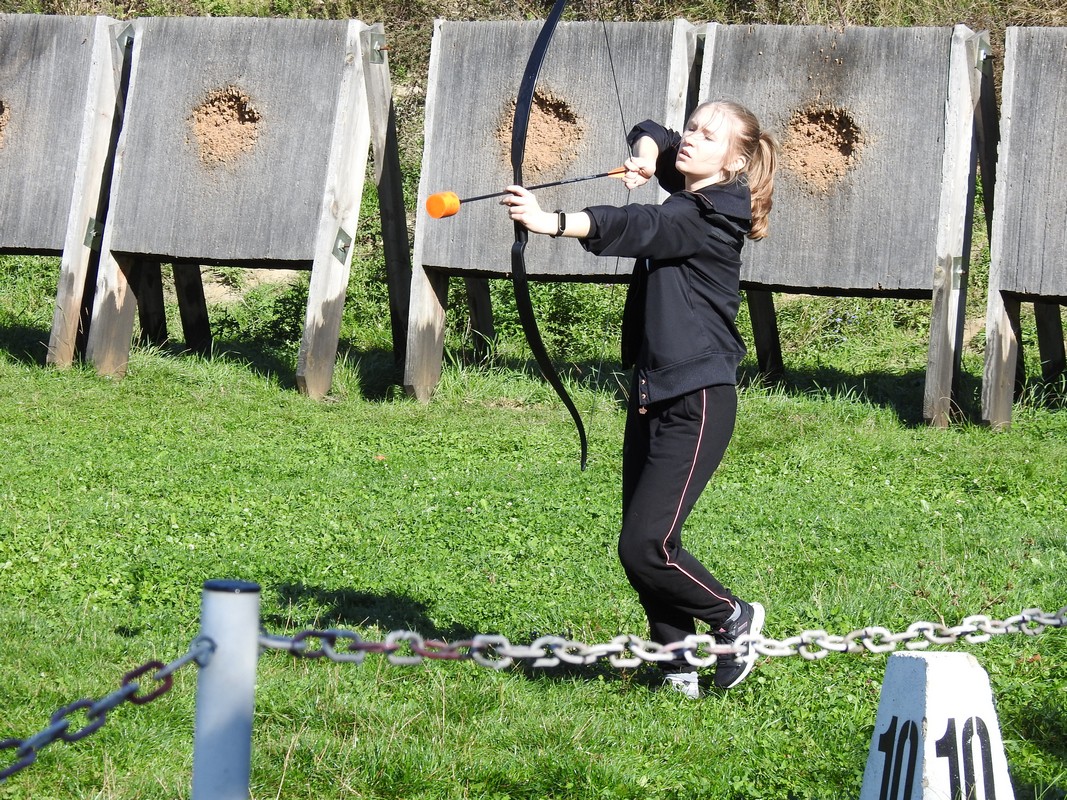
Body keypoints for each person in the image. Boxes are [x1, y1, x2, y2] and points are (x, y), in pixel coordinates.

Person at [503, 100, 779, 697]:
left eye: (708, 136)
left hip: (696, 399)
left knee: (645, 546)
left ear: (733, 162)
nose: (691, 138)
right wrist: (649, 156)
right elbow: (652, 130)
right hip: (654, 390)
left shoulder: (707, 214)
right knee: (650, 539)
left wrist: (553, 222)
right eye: (693, 127)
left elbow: (642, 227)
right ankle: (676, 666)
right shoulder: (693, 184)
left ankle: (733, 618)